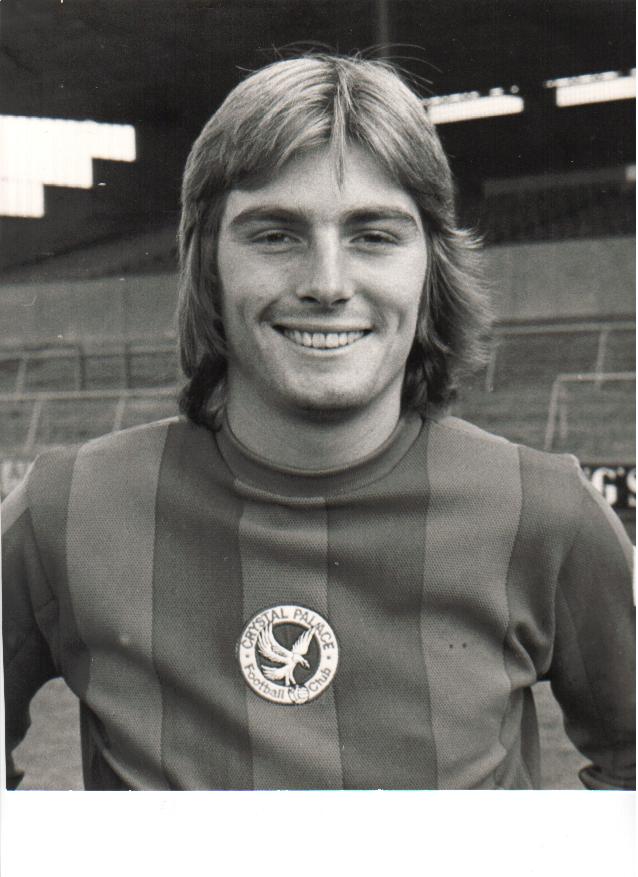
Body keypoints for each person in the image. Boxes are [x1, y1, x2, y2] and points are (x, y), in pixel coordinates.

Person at [2, 54, 634, 791]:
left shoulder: (547, 511)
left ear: (431, 266)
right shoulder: (67, 509)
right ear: (207, 264)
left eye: (374, 236)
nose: (327, 284)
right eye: (275, 235)